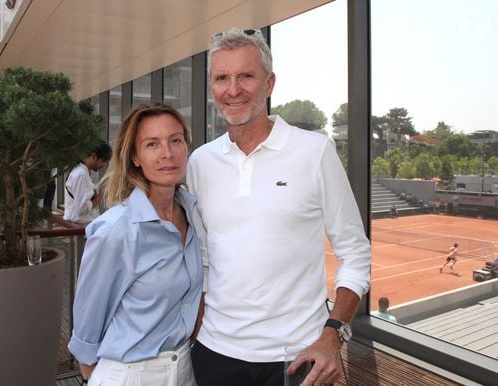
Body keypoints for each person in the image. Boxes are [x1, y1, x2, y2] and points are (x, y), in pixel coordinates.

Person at [186, 27, 371, 386]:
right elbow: (204, 257)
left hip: (297, 359)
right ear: (212, 88)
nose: (233, 89)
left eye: (246, 76)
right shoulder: (200, 162)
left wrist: (333, 335)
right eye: (222, 77)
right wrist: (197, 330)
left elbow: (355, 251)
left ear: (269, 84)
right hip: (214, 354)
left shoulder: (314, 151)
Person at [68, 102, 203, 386]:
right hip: (130, 375)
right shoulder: (115, 230)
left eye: (175, 140)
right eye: (152, 144)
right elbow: (87, 326)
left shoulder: (193, 213)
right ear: (136, 157)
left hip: (184, 370)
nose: (167, 153)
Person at [63, 142, 111, 224]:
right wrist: (99, 197)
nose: (104, 165)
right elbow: (82, 208)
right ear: (94, 156)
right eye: (103, 161)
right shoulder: (81, 174)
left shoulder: (81, 170)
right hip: (80, 223)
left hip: (82, 221)